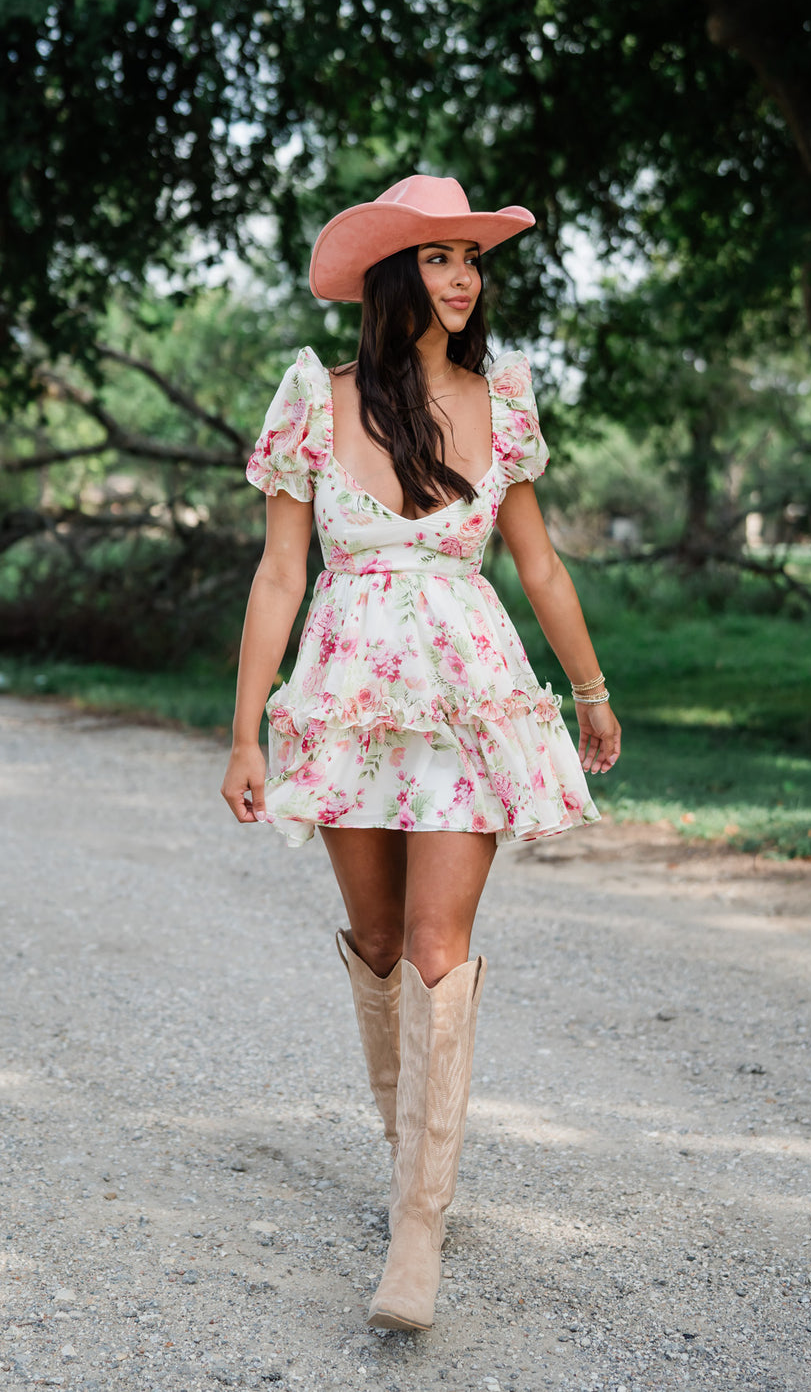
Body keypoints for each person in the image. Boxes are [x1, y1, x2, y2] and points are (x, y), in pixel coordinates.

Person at [221, 174, 621, 1333]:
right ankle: (413, 1159)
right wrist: (246, 729)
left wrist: (588, 690)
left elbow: (538, 565)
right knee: (383, 941)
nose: (462, 280)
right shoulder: (316, 396)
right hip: (348, 701)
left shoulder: (502, 401)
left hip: (470, 700)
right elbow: (282, 575)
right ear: (396, 275)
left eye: (472, 260)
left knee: (440, 944)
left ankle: (417, 1229)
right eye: (440, 259)